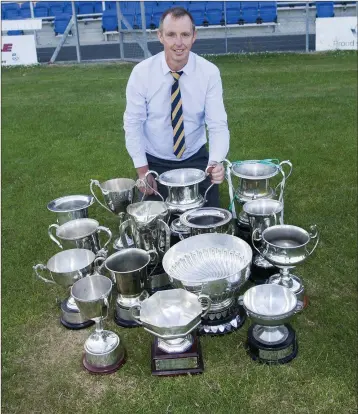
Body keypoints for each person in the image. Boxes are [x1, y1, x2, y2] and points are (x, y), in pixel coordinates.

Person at [123, 6, 230, 207]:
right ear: (160, 36)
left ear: (194, 36)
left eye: (185, 34)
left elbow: (218, 125)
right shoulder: (141, 73)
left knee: (206, 227)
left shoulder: (209, 73)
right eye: (171, 35)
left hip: (196, 160)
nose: (179, 43)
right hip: (155, 161)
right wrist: (142, 170)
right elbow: (132, 124)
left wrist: (215, 163)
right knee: (158, 230)